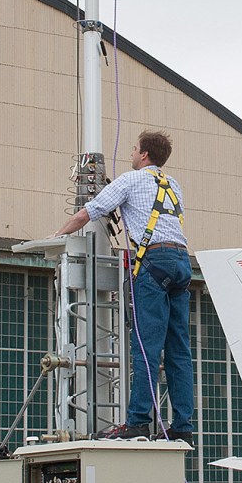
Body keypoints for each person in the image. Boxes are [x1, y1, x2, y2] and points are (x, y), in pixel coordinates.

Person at [56, 129, 193, 442]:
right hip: (181, 262)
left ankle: (138, 421)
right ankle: (183, 426)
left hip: (154, 263)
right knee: (178, 351)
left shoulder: (130, 181)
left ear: (144, 154)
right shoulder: (173, 186)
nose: (131, 153)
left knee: (146, 346)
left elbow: (88, 213)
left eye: (134, 149)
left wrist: (58, 235)